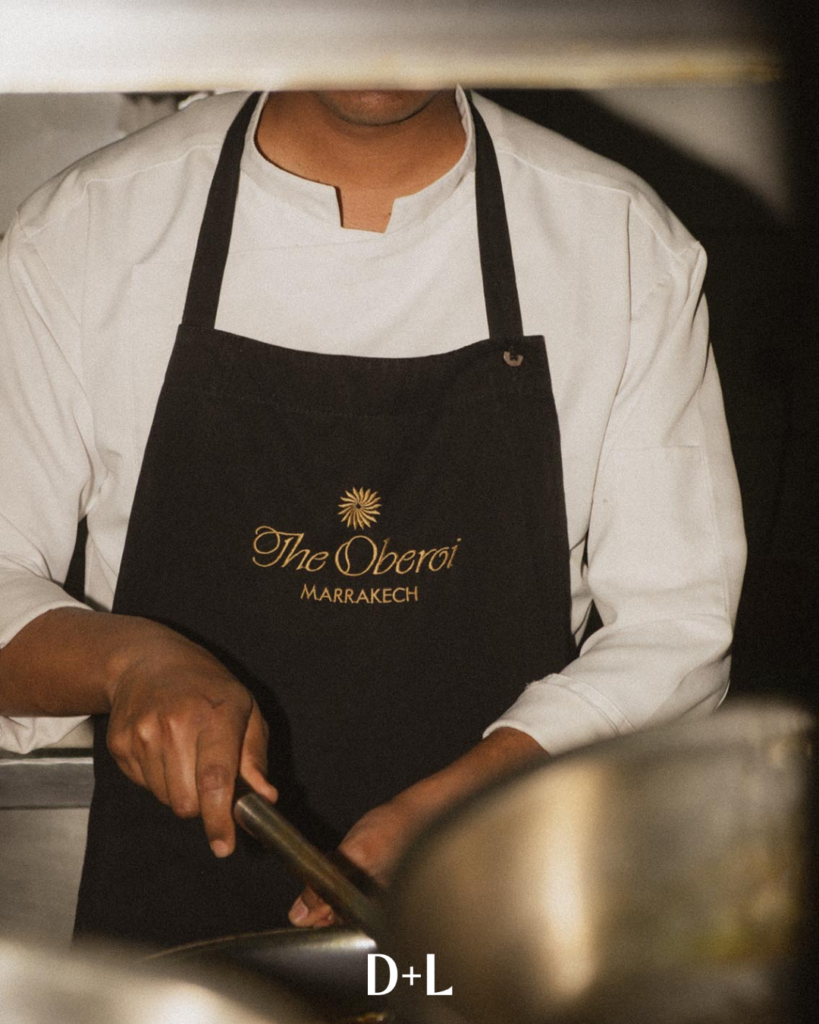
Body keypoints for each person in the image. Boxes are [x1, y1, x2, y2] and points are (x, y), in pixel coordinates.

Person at [0, 87, 745, 946]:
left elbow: (676, 627)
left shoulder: (614, 237)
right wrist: (129, 662)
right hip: (177, 934)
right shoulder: (91, 226)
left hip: (499, 910)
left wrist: (466, 799)